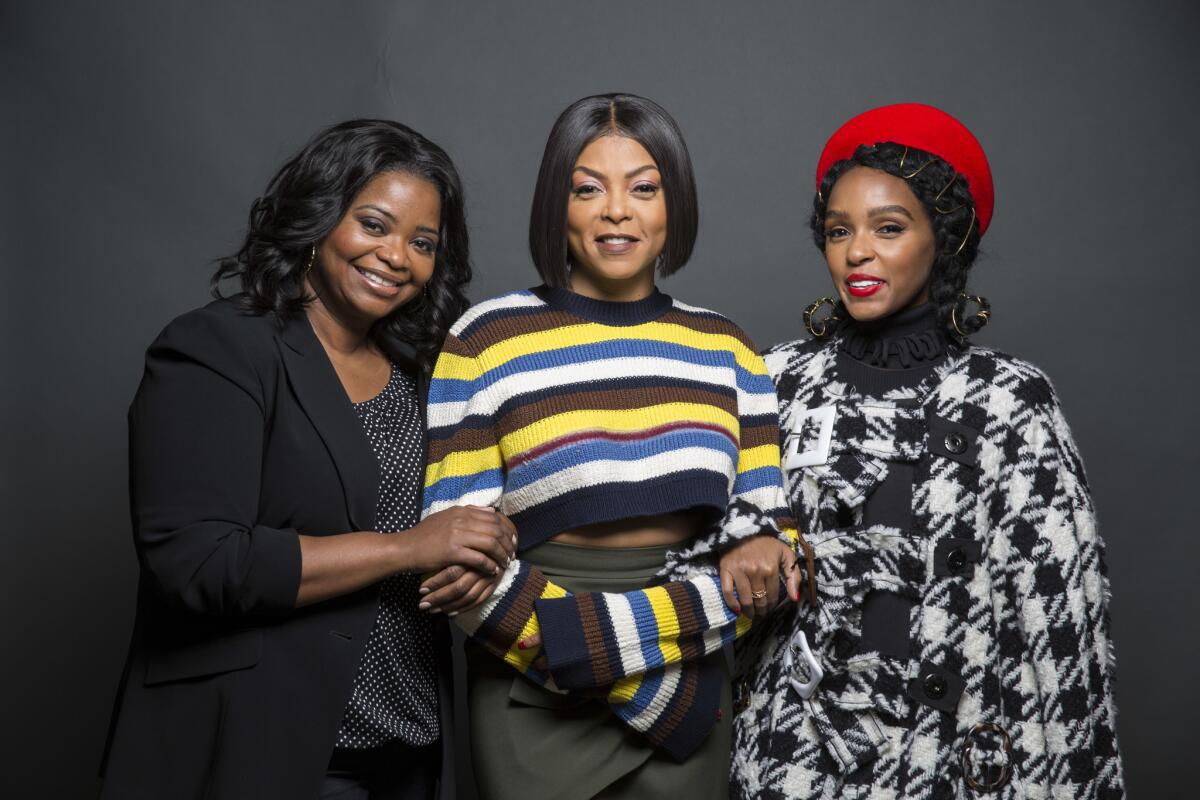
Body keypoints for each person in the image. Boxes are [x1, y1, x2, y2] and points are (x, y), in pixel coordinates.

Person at [99, 119, 518, 800]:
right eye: (374, 225)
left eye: (422, 243)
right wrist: (407, 549)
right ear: (320, 217)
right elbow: (200, 563)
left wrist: (475, 555)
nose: (395, 256)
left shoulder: (420, 374)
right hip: (266, 751)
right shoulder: (217, 349)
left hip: (407, 747)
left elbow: (443, 532)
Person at [731, 103, 1125, 798]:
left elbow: (1066, 633)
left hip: (954, 764)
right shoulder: (774, 382)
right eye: (838, 230)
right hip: (794, 759)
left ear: (942, 239)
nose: (857, 252)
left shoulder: (1008, 401)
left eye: (889, 228)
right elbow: (719, 552)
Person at [417, 93, 804, 799]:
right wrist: (572, 646)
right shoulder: (484, 339)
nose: (616, 210)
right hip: (532, 683)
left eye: (644, 187)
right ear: (554, 205)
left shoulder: (729, 348)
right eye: (587, 187)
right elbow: (452, 564)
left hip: (690, 674)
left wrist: (604, 638)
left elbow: (766, 556)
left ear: (673, 204)